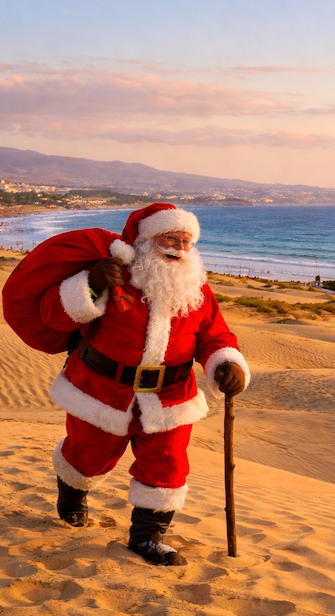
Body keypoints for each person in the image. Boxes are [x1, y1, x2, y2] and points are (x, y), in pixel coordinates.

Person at [40, 203, 249, 566]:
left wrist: (226, 362)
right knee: (87, 456)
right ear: (147, 239)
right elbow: (56, 315)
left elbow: (214, 334)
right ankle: (72, 492)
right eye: (170, 238)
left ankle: (148, 536)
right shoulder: (111, 275)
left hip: (170, 397)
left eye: (186, 241)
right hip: (103, 390)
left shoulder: (195, 288)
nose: (178, 248)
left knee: (167, 465)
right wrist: (91, 284)